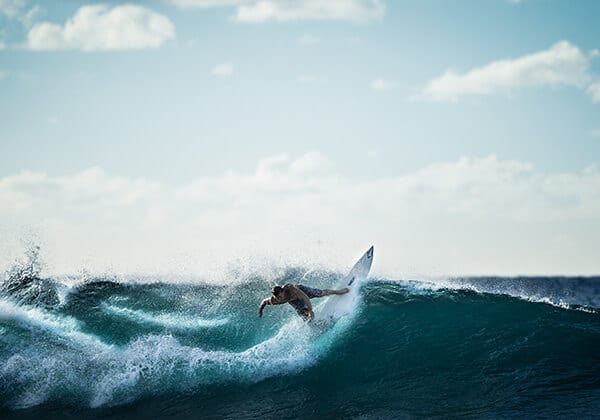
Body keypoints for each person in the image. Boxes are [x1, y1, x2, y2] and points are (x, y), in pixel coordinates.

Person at [258, 283, 349, 321]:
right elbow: (263, 302)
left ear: (283, 291)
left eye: (281, 296)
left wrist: (310, 310)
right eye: (278, 298)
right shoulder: (274, 300)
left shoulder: (290, 288)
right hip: (294, 301)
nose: (280, 299)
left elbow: (305, 298)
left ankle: (338, 291)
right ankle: (316, 325)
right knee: (305, 318)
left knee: (320, 293)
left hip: (302, 291)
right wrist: (261, 311)